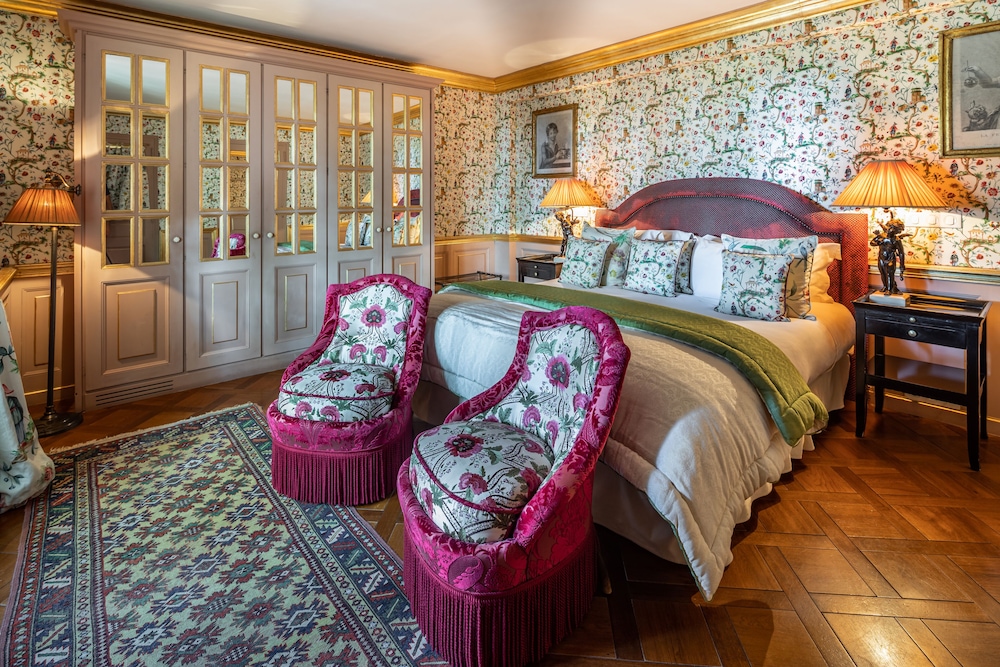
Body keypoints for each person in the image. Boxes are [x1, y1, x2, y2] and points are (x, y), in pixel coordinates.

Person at [870, 220, 910, 294]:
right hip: (881, 258)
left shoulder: (896, 240)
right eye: (889, 227)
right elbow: (872, 243)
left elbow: (901, 253)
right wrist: (879, 241)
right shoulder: (882, 236)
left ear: (897, 231)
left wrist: (902, 265)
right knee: (882, 273)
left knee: (889, 274)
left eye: (893, 228)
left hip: (890, 258)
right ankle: (885, 286)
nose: (890, 230)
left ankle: (889, 289)